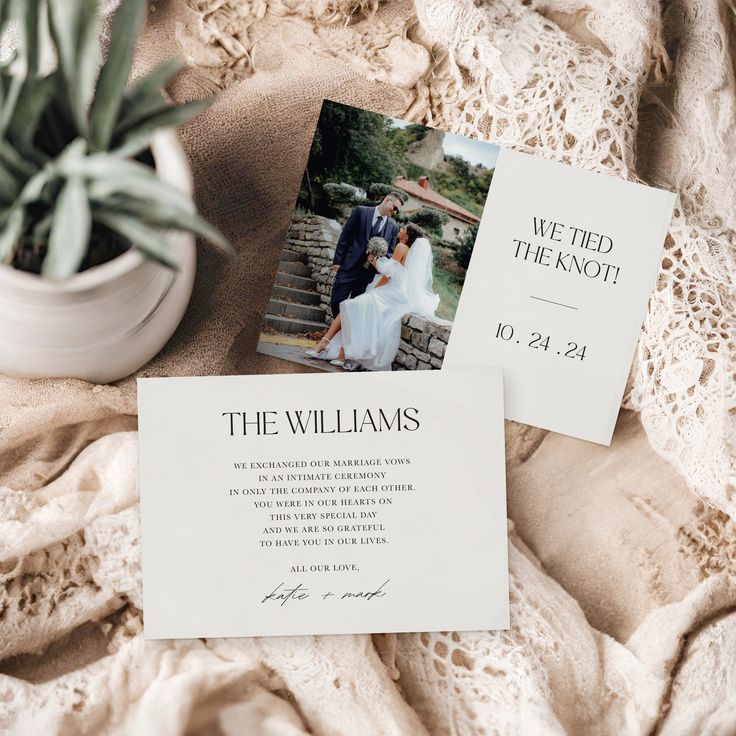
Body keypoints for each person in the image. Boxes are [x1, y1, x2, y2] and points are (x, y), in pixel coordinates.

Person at [305, 223, 439, 371]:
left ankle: (331, 347)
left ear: (406, 236)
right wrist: (375, 262)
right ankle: (338, 350)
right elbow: (395, 271)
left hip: (389, 292)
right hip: (398, 293)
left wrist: (374, 290)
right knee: (356, 312)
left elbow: (388, 275)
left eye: (403, 229)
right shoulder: (409, 252)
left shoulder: (401, 247)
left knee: (350, 307)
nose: (399, 230)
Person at [329, 192, 404, 317]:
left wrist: (378, 259)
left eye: (398, 211)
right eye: (395, 207)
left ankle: (341, 333)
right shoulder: (361, 212)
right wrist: (337, 262)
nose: (395, 212)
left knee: (356, 308)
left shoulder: (393, 226)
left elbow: (389, 252)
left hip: (368, 275)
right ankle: (339, 329)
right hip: (348, 266)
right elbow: (345, 237)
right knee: (336, 300)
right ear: (386, 200)